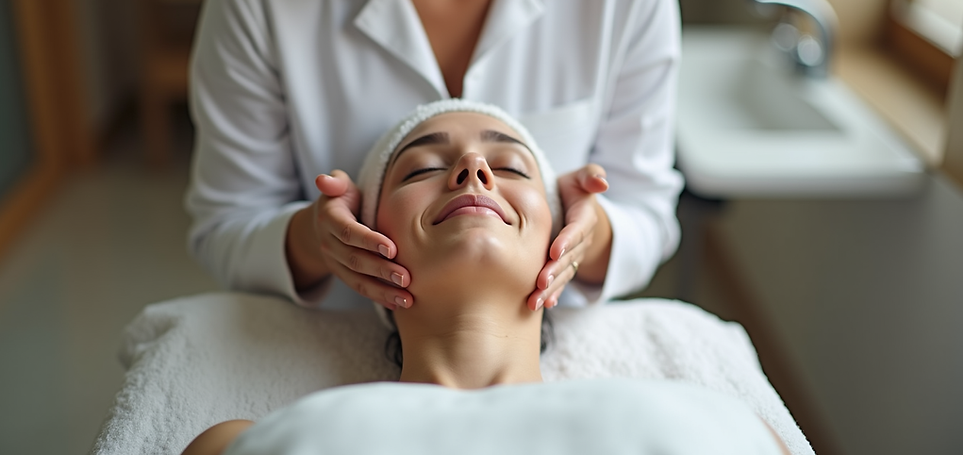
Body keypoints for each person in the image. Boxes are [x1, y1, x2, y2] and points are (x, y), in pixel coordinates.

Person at [180, 102, 786, 455]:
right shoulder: (237, 447)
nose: (472, 168)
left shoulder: (723, 430)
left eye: (510, 165)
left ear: (561, 237)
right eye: (423, 166)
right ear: (360, 240)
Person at [186, 0, 684, 314]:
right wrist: (313, 241)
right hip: (337, 339)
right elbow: (227, 227)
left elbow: (648, 215)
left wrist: (592, 239)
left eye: (511, 163)